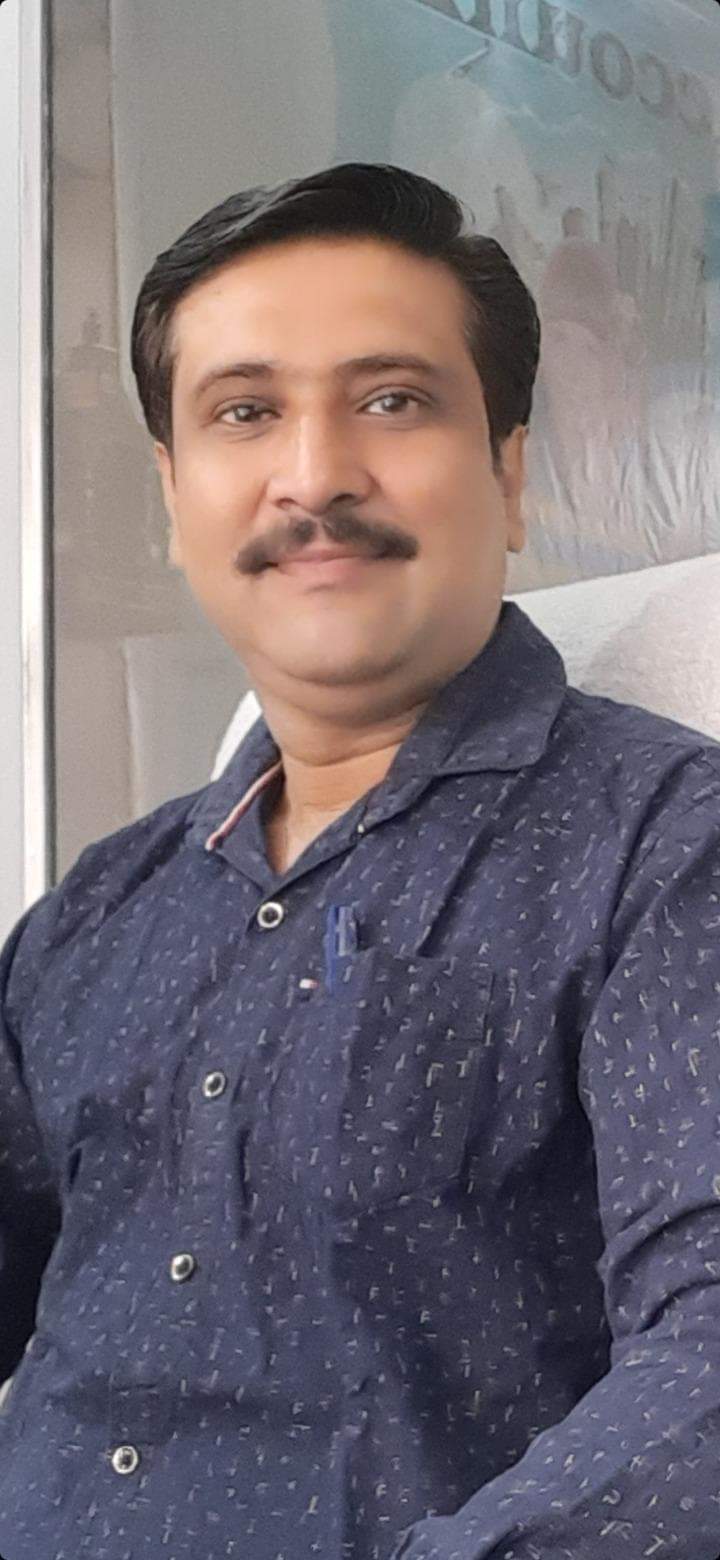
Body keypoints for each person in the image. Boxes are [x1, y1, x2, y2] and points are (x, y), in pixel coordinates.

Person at [0, 161, 719, 1560]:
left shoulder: (664, 849)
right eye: (245, 413)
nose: (316, 474)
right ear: (174, 497)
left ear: (507, 470)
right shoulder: (98, 913)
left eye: (392, 401)